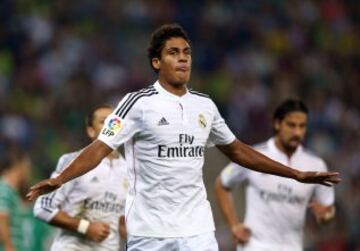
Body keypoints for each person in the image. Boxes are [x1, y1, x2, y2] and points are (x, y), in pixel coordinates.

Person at [26, 23, 340, 251]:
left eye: (187, 52)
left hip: (198, 230)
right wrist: (61, 178)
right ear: (156, 62)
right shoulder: (136, 103)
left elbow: (239, 151)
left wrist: (295, 173)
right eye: (173, 53)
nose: (183, 58)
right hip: (150, 232)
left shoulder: (204, 105)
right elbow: (99, 148)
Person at [215, 99, 336, 251]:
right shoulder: (255, 156)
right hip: (254, 246)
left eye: (302, 126)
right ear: (277, 124)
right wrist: (233, 225)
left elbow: (327, 211)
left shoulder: (316, 165)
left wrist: (326, 216)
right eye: (291, 125)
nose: (297, 132)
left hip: (292, 247)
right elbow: (221, 184)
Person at [33, 105, 128, 251]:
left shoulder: (131, 171)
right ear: (90, 131)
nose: (112, 126)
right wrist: (85, 227)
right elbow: (42, 208)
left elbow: (123, 223)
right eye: (104, 121)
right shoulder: (73, 163)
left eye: (115, 121)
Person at [0, 148, 31, 251]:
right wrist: (9, 246)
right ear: (19, 166)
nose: (28, 171)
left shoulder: (11, 191)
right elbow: (1, 218)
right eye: (27, 166)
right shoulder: (4, 188)